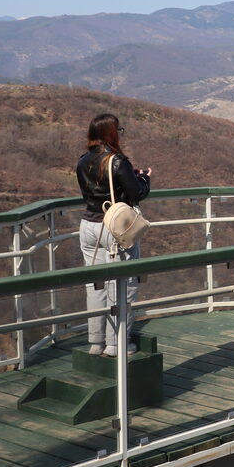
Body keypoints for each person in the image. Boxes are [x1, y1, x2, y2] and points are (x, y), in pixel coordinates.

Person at [76, 113, 152, 356]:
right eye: (118, 130)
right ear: (111, 133)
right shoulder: (117, 161)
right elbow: (136, 193)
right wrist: (144, 178)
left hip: (88, 226)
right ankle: (116, 344)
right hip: (114, 227)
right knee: (123, 285)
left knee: (96, 285)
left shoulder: (83, 161)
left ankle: (96, 342)